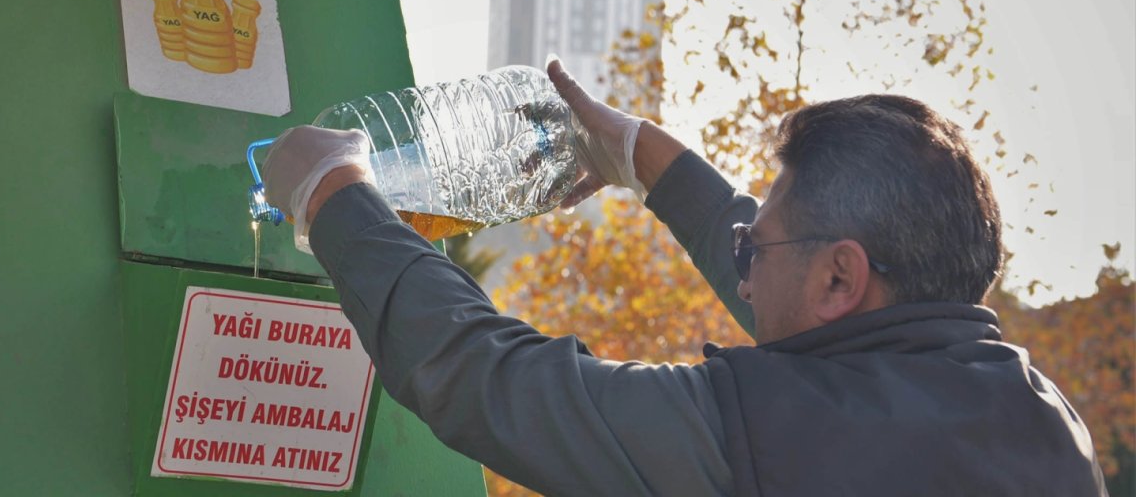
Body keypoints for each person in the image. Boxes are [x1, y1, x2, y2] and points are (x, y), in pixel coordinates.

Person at [262, 59, 1107, 497]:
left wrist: (334, 194)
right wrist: (643, 160)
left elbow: (487, 379)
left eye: (753, 254)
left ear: (839, 279)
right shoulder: (1041, 422)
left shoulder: (770, 440)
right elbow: (780, 272)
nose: (740, 275)